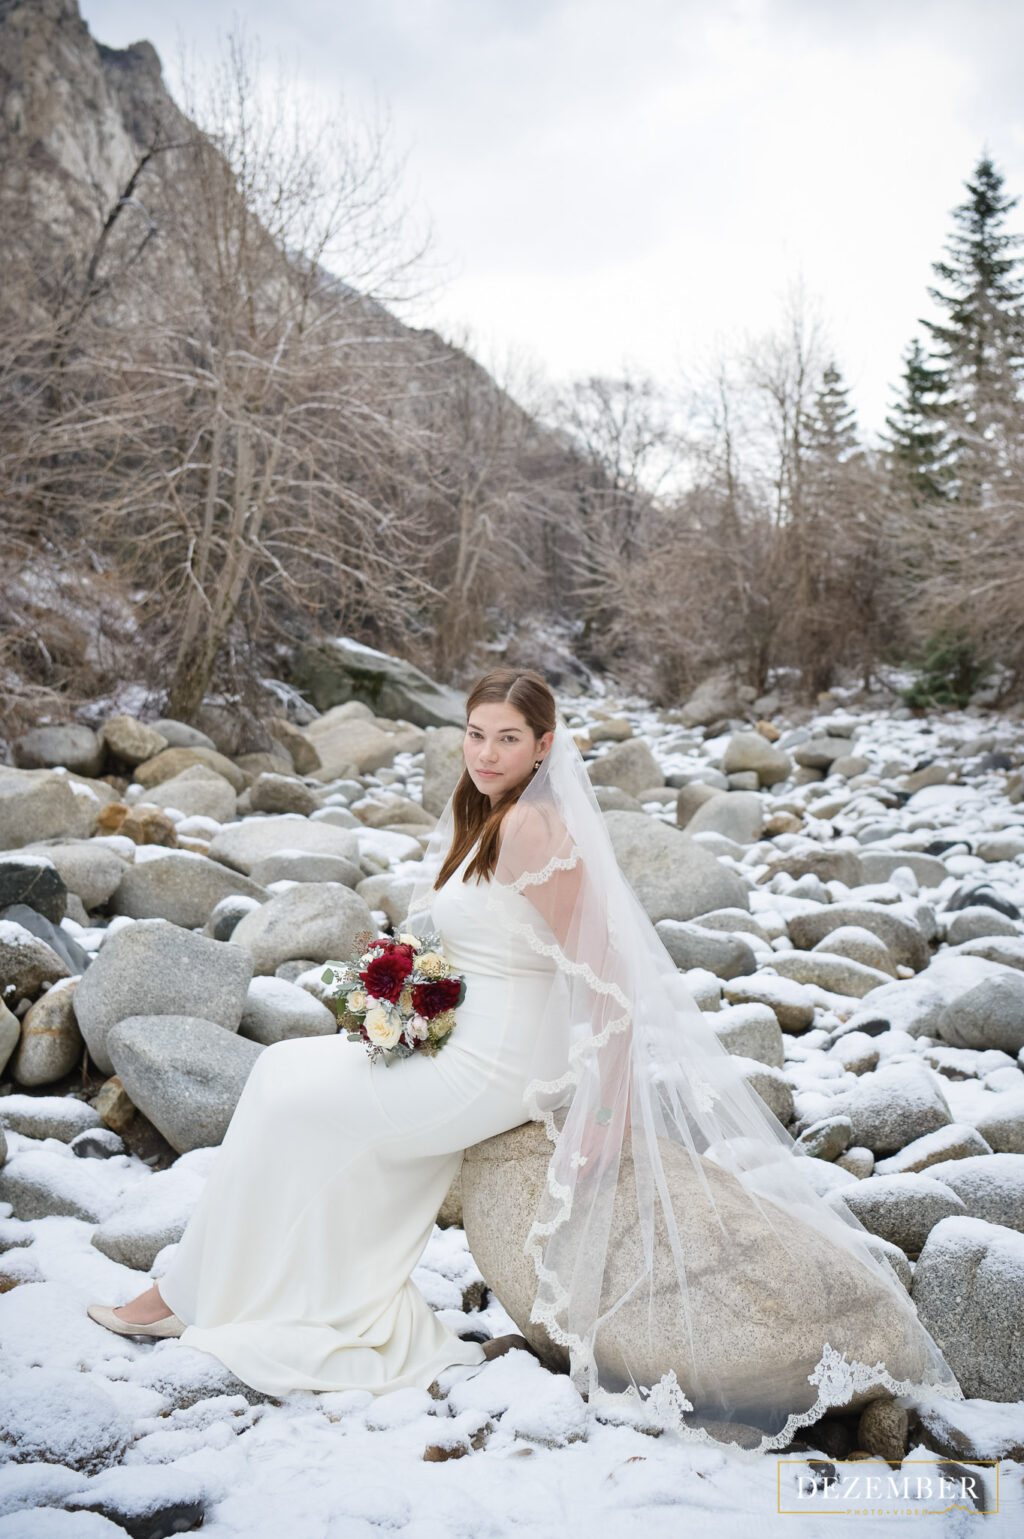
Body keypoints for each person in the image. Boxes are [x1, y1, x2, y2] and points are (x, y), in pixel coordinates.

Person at [90, 667, 966, 1459]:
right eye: (475, 733)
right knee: (286, 1079)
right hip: (470, 1036)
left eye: (508, 737)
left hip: (497, 1070)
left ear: (545, 746)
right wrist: (411, 995)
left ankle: (193, 1294)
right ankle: (253, 1288)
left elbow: (613, 980)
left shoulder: (535, 830)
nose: (486, 751)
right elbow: (505, 950)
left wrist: (601, 1109)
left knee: (289, 1090)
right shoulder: (489, 818)